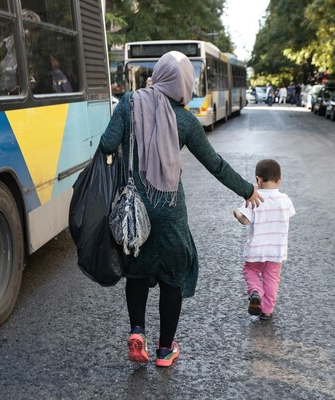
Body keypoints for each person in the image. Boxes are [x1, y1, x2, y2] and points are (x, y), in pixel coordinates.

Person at [100, 51, 263, 367]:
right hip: (171, 211)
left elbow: (107, 145)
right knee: (172, 278)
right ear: (185, 84)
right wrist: (248, 190)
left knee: (137, 271)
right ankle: (164, 351)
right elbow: (215, 164)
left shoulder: (129, 104)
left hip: (135, 211)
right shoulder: (186, 120)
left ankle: (137, 332)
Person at [233, 159, 295, 320]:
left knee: (250, 270)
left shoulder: (254, 198)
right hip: (276, 251)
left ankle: (255, 292)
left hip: (256, 249)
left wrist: (236, 211)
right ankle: (267, 310)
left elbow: (244, 220)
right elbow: (289, 214)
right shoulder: (285, 200)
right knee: (272, 278)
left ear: (258, 179)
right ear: (279, 180)